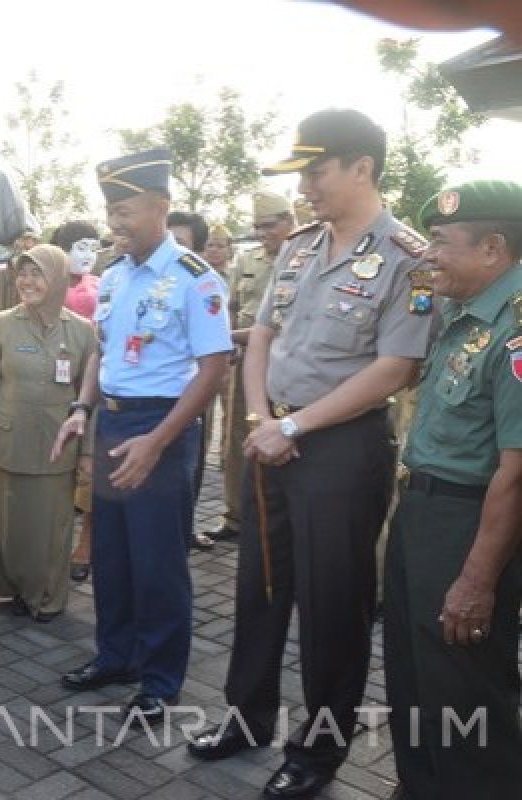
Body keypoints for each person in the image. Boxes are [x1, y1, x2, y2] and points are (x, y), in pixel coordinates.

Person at [186, 109, 435, 800]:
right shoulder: (299, 247)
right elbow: (262, 333)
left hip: (341, 450)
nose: (307, 186)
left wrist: (293, 430)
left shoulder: (408, 258)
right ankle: (246, 718)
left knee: (333, 606)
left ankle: (318, 754)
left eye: (316, 171)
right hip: (274, 438)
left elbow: (395, 368)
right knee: (258, 591)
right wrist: (265, 419)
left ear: (363, 168)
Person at [54, 148, 231, 718]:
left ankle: (159, 681)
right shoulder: (115, 277)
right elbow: (102, 350)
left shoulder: (194, 281)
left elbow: (213, 367)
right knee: (113, 555)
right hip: (112, 421)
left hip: (164, 425)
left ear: (161, 206)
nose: (114, 223)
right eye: (110, 211)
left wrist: (157, 440)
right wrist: (83, 407)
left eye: (125, 210)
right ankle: (117, 656)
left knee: (158, 561)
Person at [383, 181, 522, 800]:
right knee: (414, 677)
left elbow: (516, 473)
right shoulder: (465, 309)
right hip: (420, 512)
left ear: (493, 247)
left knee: (465, 691)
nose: (429, 255)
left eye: (441, 242)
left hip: (467, 527)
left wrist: (476, 581)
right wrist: (425, 256)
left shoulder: (516, 329)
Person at [0, 244, 95, 622]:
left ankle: (49, 598)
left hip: (58, 446)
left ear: (56, 277)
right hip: (8, 442)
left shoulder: (82, 331)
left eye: (36, 273)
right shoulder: (2, 323)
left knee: (53, 530)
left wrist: (87, 452)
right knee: (10, 525)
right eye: (22, 273)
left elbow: (91, 398)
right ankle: (16, 590)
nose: (26, 281)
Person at [201, 191, 295, 542]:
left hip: (284, 363)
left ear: (288, 221)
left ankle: (274, 517)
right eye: (256, 226)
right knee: (238, 437)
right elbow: (232, 306)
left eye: (268, 225)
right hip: (245, 362)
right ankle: (237, 516)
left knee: (283, 436)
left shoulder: (304, 258)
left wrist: (228, 338)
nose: (260, 233)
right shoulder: (248, 260)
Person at [51, 220, 102, 582]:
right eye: (79, 246)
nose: (87, 255)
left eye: (93, 247)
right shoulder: (42, 284)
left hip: (90, 386)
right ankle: (50, 544)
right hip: (50, 388)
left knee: (89, 468)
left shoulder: (102, 286)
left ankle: (86, 542)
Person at [168, 209, 221, 549]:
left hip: (195, 388)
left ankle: (185, 526)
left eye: (180, 242)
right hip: (155, 397)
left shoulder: (204, 283)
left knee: (193, 462)